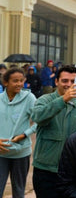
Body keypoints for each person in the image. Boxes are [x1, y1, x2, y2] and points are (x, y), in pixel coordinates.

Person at [31, 65, 76, 198]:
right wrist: (63, 100)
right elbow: (37, 117)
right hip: (46, 171)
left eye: (73, 81)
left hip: (72, 172)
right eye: (65, 81)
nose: (69, 85)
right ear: (56, 82)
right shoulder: (45, 100)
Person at [0, 68, 37, 198]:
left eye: (21, 81)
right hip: (1, 152)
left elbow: (39, 120)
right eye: (15, 81)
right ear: (5, 82)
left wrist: (25, 134)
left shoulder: (29, 98)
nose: (19, 84)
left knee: (19, 191)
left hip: (21, 153)